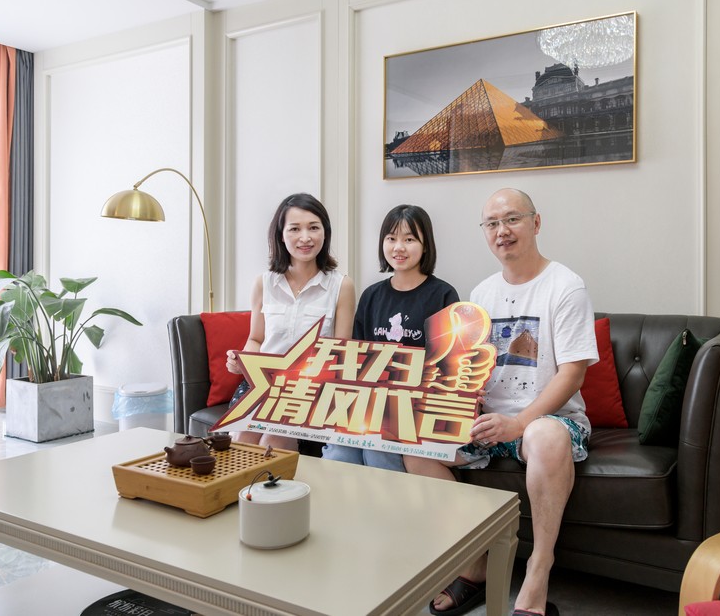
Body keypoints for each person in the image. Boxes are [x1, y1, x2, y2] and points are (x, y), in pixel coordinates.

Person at [405, 188, 597, 616]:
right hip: (490, 422)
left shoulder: (566, 287)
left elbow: (573, 373)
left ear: (536, 222)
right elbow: (469, 367)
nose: (501, 231)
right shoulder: (481, 293)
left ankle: (538, 571)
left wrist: (520, 423)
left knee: (543, 436)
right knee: (417, 444)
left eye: (512, 219)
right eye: (491, 223)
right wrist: (465, 403)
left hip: (550, 420)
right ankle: (475, 561)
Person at [322, 204, 459, 471]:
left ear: (426, 246)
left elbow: (449, 365)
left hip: (415, 405)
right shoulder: (372, 295)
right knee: (340, 450)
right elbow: (356, 358)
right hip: (369, 402)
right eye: (391, 238)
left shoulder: (443, 295)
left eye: (409, 239)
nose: (399, 247)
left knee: (378, 451)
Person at [225, 192, 356, 449]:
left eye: (313, 228)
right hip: (263, 382)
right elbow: (256, 339)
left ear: (325, 233)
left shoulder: (342, 285)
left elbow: (342, 353)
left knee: (272, 440)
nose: (305, 237)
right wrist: (243, 361)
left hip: (313, 389)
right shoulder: (264, 283)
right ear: (281, 235)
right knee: (242, 437)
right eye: (295, 229)